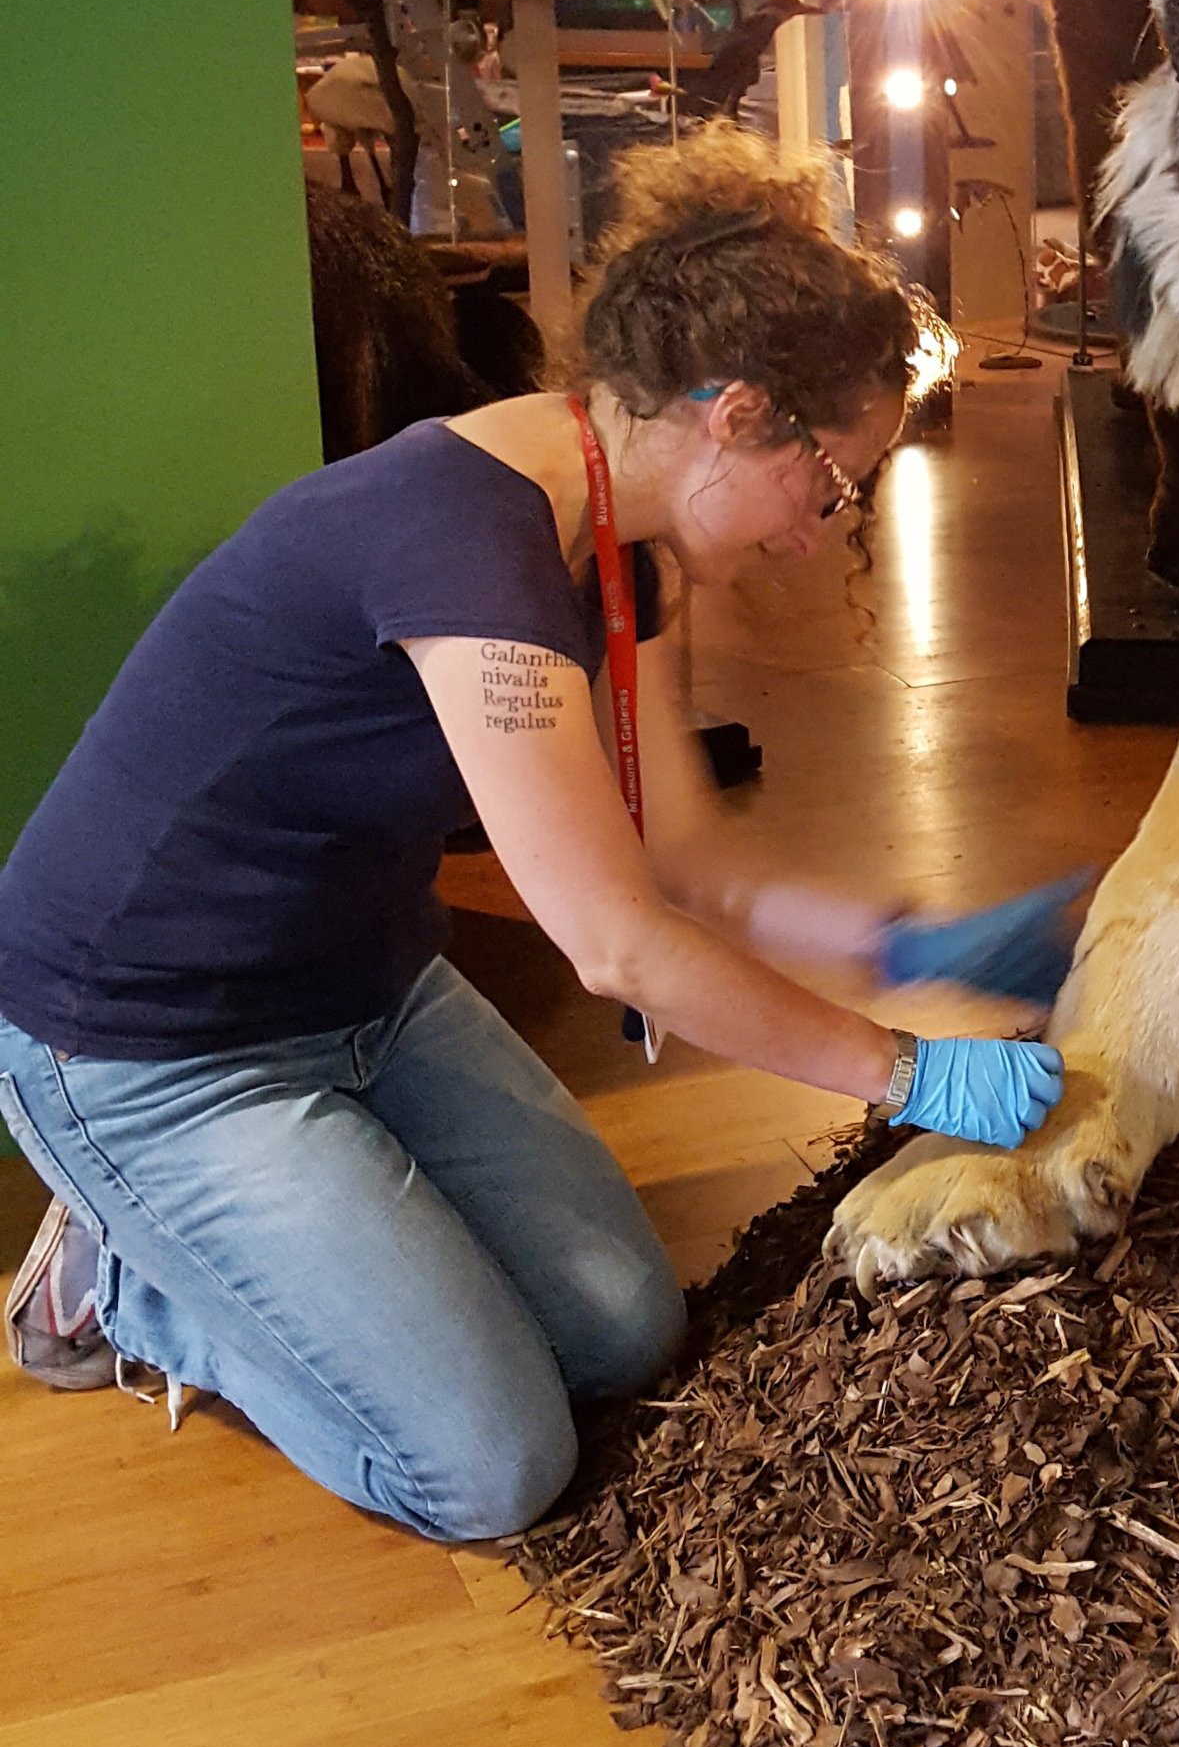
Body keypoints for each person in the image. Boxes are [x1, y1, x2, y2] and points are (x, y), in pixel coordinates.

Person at [0, 134, 1074, 1543]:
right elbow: (618, 942)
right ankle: (130, 1279)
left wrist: (915, 945)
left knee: (622, 1334)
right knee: (487, 1470)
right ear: (738, 413)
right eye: (832, 482)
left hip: (369, 996)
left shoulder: (619, 537)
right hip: (148, 1047)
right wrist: (910, 1071)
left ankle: (311, 1228)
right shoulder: (463, 550)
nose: (824, 533)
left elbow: (688, 865)